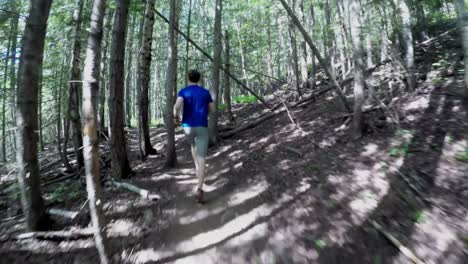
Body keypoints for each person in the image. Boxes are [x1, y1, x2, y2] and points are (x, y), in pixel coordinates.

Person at [173, 70, 215, 203]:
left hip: (188, 127)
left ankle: (198, 171)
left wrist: (176, 117)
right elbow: (213, 110)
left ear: (188, 79)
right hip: (202, 126)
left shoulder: (183, 91)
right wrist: (205, 113)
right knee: (202, 157)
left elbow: (177, 106)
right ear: (199, 79)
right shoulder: (205, 92)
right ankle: (199, 188)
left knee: (193, 145)